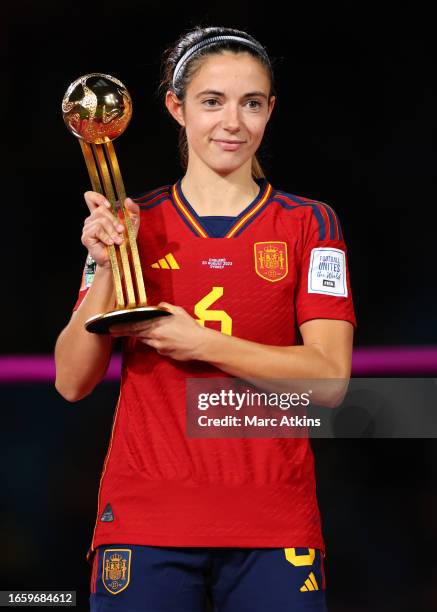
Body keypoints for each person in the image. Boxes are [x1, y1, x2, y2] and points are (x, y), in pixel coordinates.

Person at [54, 25, 356, 612]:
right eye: (212, 101)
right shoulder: (131, 220)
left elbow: (328, 379)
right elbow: (71, 381)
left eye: (252, 103)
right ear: (176, 106)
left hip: (274, 523)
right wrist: (110, 265)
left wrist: (200, 341)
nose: (233, 123)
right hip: (146, 521)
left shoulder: (311, 224)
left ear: (271, 111)